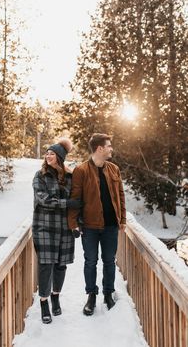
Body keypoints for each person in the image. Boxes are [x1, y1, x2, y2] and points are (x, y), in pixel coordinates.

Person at [68, 133, 126, 316]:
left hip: (110, 226)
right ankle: (91, 296)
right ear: (100, 148)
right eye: (109, 146)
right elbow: (75, 198)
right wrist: (73, 223)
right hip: (90, 227)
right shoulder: (81, 170)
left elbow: (121, 197)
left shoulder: (114, 169)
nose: (111, 149)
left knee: (109, 261)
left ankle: (108, 294)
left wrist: (122, 220)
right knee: (90, 261)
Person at [32, 138, 82, 324]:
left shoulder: (69, 178)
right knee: (46, 265)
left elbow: (77, 203)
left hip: (64, 228)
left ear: (59, 157)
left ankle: (55, 296)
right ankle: (44, 303)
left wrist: (78, 224)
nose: (48, 155)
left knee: (61, 264)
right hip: (44, 227)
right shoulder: (40, 176)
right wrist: (65, 203)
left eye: (52, 153)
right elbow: (43, 199)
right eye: (47, 153)